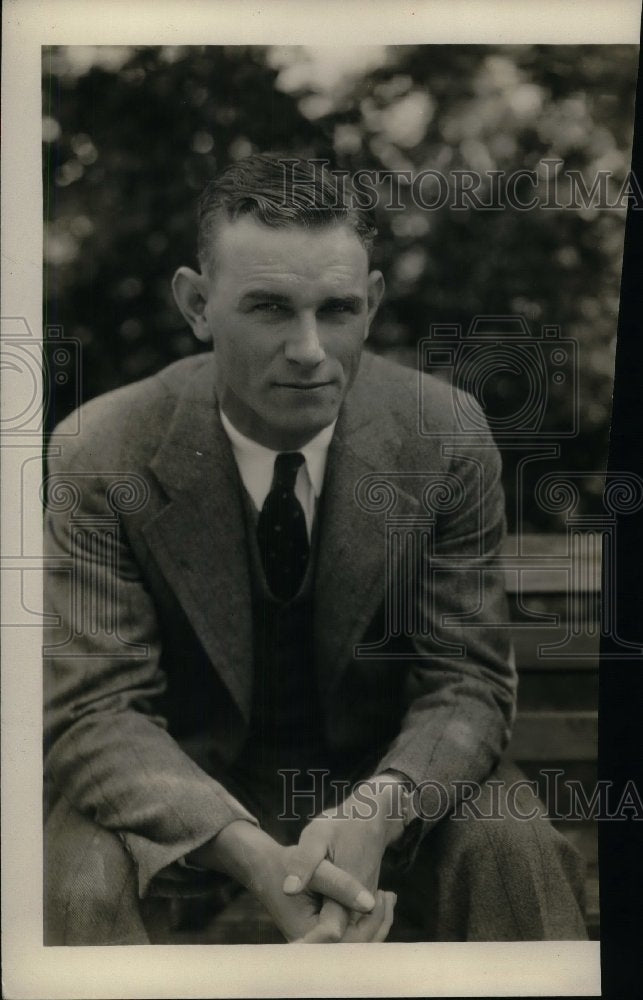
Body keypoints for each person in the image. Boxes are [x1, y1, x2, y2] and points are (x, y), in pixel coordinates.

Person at [43, 154, 587, 945]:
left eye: (336, 310)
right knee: (76, 881)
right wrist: (250, 851)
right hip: (183, 790)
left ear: (371, 304)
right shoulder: (103, 449)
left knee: (513, 850)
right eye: (269, 307)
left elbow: (465, 680)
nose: (308, 348)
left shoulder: (443, 435)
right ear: (196, 304)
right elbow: (96, 711)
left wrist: (378, 810)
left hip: (383, 780)